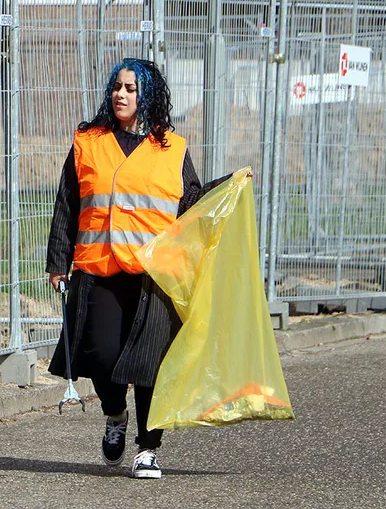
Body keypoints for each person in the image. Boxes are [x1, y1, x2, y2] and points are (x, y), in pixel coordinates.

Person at [46, 58, 233, 479]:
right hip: (99, 268)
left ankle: (148, 448)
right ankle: (115, 415)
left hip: (154, 276)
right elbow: (67, 202)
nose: (121, 94)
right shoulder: (88, 141)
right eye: (117, 86)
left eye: (130, 88)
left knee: (151, 365)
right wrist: (58, 260)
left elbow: (191, 205)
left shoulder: (173, 148)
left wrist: (230, 186)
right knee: (101, 357)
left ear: (147, 95)